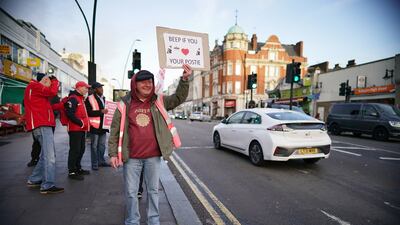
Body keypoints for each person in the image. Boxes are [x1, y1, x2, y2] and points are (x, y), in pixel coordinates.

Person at [108, 64, 192, 225]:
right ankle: (133, 220)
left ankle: (154, 221)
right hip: (131, 157)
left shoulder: (158, 100)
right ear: (135, 84)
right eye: (143, 82)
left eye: (150, 82)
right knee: (131, 193)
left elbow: (178, 98)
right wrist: (112, 154)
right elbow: (114, 130)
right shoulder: (124, 104)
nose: (147, 85)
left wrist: (185, 79)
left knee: (153, 191)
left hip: (153, 156)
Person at [25, 73, 64, 194]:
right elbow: (51, 92)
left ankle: (34, 179)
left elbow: (50, 105)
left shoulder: (35, 90)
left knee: (45, 155)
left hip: (42, 125)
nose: (49, 85)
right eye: (47, 81)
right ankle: (47, 185)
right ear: (42, 80)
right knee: (50, 156)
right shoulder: (34, 86)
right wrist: (55, 81)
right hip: (42, 125)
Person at [65, 81, 91, 180]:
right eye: (85, 88)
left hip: (81, 129)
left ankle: (77, 168)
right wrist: (81, 123)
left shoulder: (80, 98)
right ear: (79, 87)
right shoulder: (73, 99)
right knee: (75, 150)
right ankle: (72, 171)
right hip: (75, 129)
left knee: (81, 149)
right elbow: (70, 114)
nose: (87, 90)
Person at [85, 82, 110, 170]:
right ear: (95, 89)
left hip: (103, 127)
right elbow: (88, 112)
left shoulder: (104, 98)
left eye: (102, 88)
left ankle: (101, 161)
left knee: (102, 146)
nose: (102, 89)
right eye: (100, 88)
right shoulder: (89, 99)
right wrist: (100, 111)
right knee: (94, 146)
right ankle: (95, 164)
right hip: (94, 126)